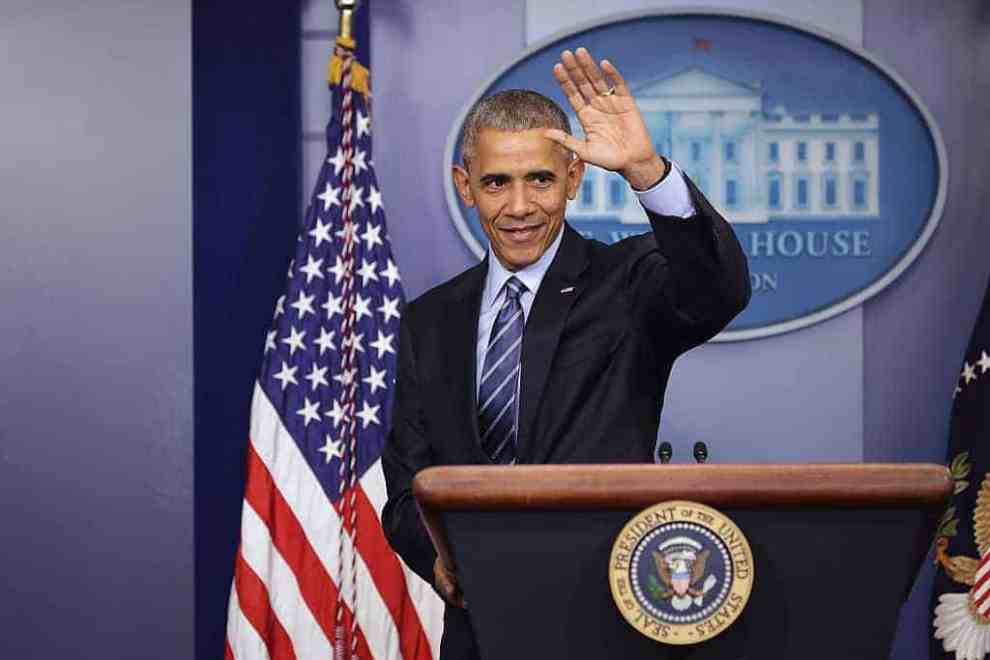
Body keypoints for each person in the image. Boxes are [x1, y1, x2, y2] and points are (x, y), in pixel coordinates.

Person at [382, 47, 750, 659]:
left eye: (540, 179)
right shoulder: (429, 320)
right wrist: (437, 559)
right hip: (479, 629)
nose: (520, 206)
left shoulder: (627, 282)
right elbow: (407, 482)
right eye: (497, 181)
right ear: (465, 186)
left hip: (605, 619)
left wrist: (647, 173)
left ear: (573, 179)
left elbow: (718, 291)